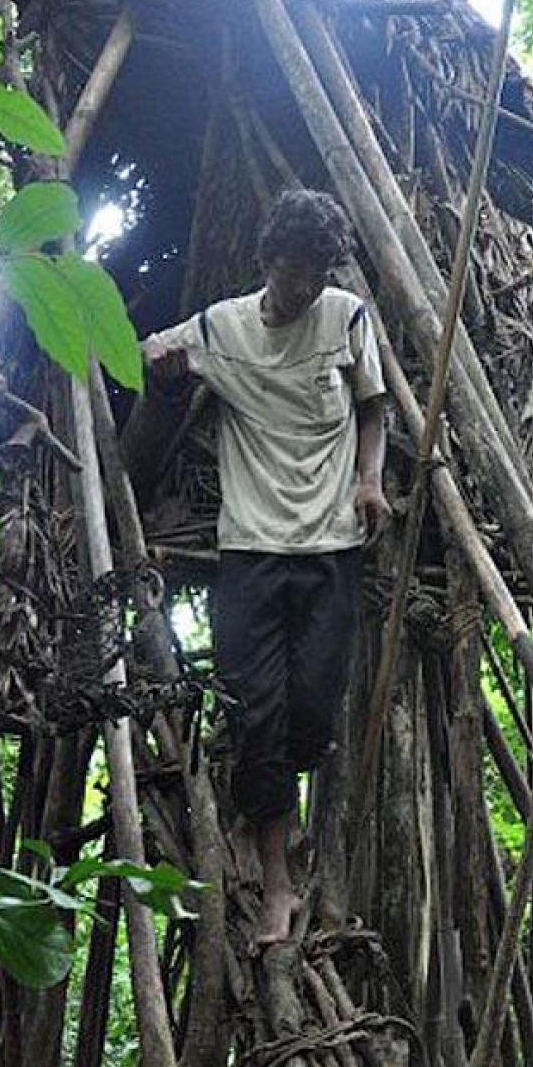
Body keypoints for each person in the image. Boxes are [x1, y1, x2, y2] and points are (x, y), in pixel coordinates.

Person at [142, 188, 391, 946]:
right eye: (292, 276)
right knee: (256, 711)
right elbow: (153, 354)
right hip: (248, 548)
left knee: (312, 709)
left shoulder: (346, 314)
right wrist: (160, 369)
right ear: (265, 263)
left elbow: (373, 407)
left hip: (331, 546)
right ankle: (279, 884)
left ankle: (260, 822)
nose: (303, 291)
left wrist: (369, 479)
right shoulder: (220, 326)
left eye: (315, 276)